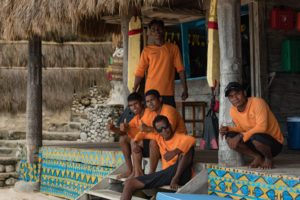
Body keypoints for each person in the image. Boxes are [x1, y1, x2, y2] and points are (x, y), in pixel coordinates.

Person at [121, 115, 196, 200]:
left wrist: (174, 152)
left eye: (165, 127)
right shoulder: (159, 137)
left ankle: (176, 178)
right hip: (167, 173)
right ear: (157, 131)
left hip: (181, 172)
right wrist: (134, 142)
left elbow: (192, 140)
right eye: (160, 130)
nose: (164, 131)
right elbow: (141, 134)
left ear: (170, 125)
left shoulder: (179, 136)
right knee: (129, 183)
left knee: (188, 148)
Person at [220, 82, 283, 169]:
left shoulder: (257, 102)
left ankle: (268, 158)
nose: (235, 98)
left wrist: (240, 136)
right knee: (230, 136)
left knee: (255, 137)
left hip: (273, 144)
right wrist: (228, 129)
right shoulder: (233, 110)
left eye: (238, 93)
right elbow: (242, 128)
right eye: (231, 96)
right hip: (255, 142)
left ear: (244, 93)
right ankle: (257, 157)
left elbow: (262, 127)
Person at [132, 19, 188, 108]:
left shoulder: (173, 48)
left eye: (159, 29)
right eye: (153, 30)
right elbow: (140, 71)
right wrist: (134, 88)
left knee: (168, 119)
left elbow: (180, 69)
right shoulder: (147, 50)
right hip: (150, 92)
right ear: (151, 33)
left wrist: (185, 89)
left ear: (164, 30)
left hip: (167, 92)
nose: (157, 32)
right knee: (151, 120)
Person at [133, 89, 187, 176]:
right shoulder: (153, 113)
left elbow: (168, 133)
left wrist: (149, 130)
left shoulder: (169, 110)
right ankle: (137, 173)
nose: (150, 103)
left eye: (152, 100)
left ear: (160, 99)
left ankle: (151, 174)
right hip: (163, 142)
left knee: (153, 142)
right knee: (135, 143)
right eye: (148, 101)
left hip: (176, 143)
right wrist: (136, 141)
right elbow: (144, 131)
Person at [106, 92, 145, 179]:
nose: (133, 107)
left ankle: (137, 172)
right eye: (131, 105)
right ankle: (129, 170)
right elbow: (123, 132)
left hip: (150, 143)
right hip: (140, 143)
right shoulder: (136, 118)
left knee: (133, 140)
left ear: (142, 102)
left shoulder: (148, 114)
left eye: (136, 104)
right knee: (123, 139)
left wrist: (128, 130)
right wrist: (113, 128)